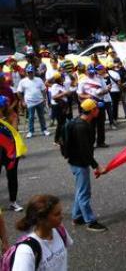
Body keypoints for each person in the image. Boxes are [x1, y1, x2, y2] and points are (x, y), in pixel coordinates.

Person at [66, 99, 107, 232]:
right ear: (92, 111)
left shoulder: (82, 122)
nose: (99, 110)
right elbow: (85, 150)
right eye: (97, 108)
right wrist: (96, 166)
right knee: (84, 192)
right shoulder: (81, 127)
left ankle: (77, 216)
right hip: (79, 163)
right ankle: (90, 221)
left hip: (77, 161)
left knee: (80, 190)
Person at [11, 194, 72, 271]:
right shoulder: (26, 251)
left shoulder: (60, 230)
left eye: (61, 212)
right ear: (41, 219)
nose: (62, 216)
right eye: (57, 214)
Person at [0, 95, 26, 212]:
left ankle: (13, 202)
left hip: (10, 151)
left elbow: (14, 131)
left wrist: (10, 119)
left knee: (12, 177)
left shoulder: (11, 115)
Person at [77, 65, 109, 148]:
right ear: (86, 71)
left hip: (100, 102)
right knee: (90, 125)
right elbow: (80, 94)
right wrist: (88, 97)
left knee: (101, 124)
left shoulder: (99, 79)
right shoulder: (82, 81)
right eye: (89, 72)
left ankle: (101, 142)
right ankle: (90, 143)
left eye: (92, 72)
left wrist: (104, 91)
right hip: (89, 104)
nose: (91, 74)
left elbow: (105, 90)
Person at [16, 65, 49, 139]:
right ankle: (31, 131)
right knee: (31, 117)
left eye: (31, 72)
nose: (30, 74)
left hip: (40, 101)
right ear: (26, 73)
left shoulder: (39, 79)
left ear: (34, 72)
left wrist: (44, 99)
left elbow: (43, 90)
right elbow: (19, 92)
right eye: (29, 72)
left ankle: (44, 130)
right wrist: (22, 101)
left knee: (41, 116)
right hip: (30, 102)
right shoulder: (23, 81)